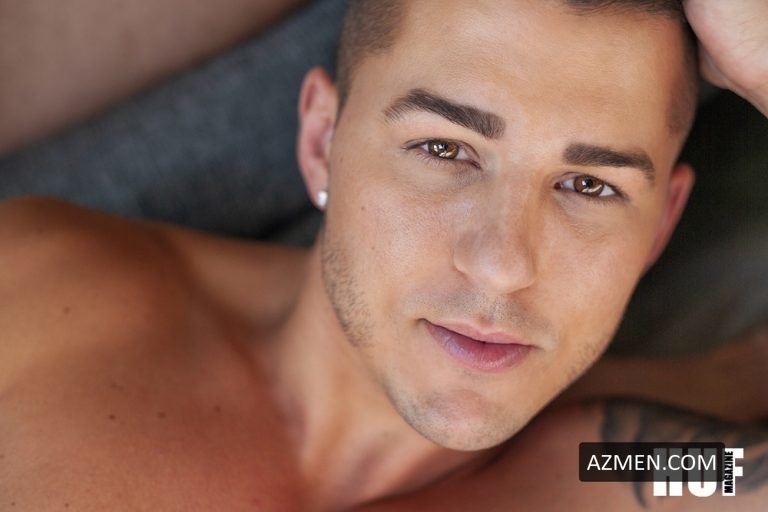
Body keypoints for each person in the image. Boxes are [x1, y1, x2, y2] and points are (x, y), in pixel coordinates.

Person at [0, 1, 766, 510]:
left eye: (589, 186)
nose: (502, 266)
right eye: (444, 149)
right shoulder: (38, 297)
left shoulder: (607, 466)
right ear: (320, 142)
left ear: (659, 228)